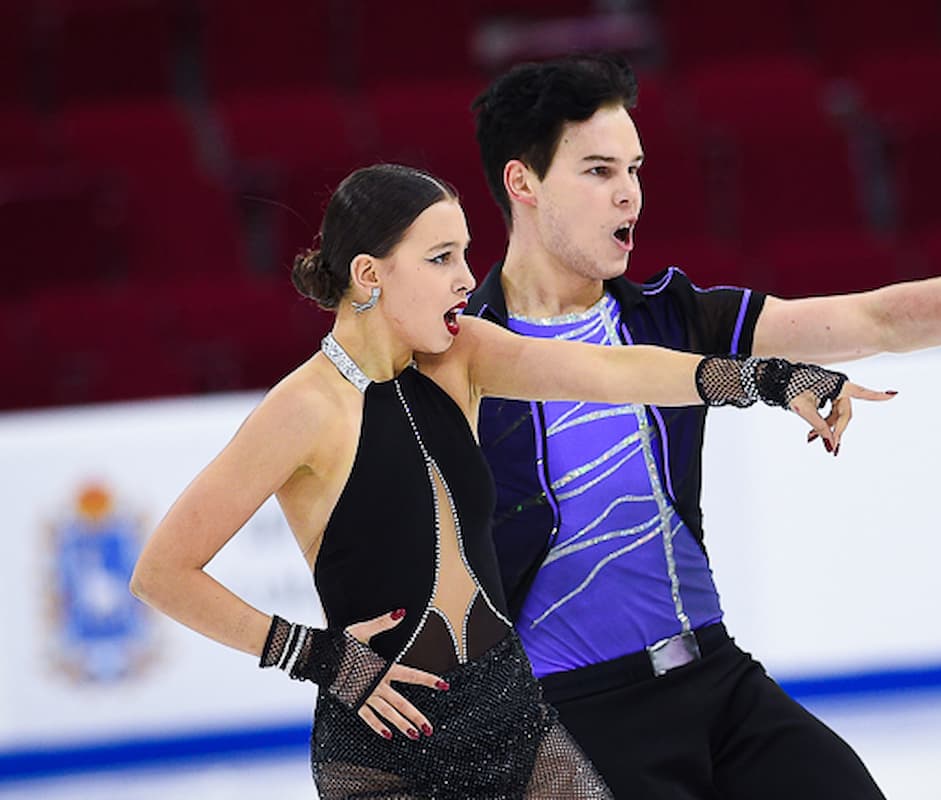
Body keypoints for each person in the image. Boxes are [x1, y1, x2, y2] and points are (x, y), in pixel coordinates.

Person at [465, 54, 941, 799]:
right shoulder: (456, 359)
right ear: (522, 182)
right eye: (598, 172)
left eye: (634, 167)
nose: (628, 194)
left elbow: (872, 317)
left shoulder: (670, 317)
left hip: (718, 685)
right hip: (573, 719)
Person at [128, 163, 890, 800]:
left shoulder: (460, 356)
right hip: (392, 750)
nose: (466, 279)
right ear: (369, 274)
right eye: (439, 259)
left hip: (515, 723)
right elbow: (163, 572)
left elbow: (610, 370)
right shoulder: (302, 411)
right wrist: (321, 657)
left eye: (465, 255)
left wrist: (761, 376)